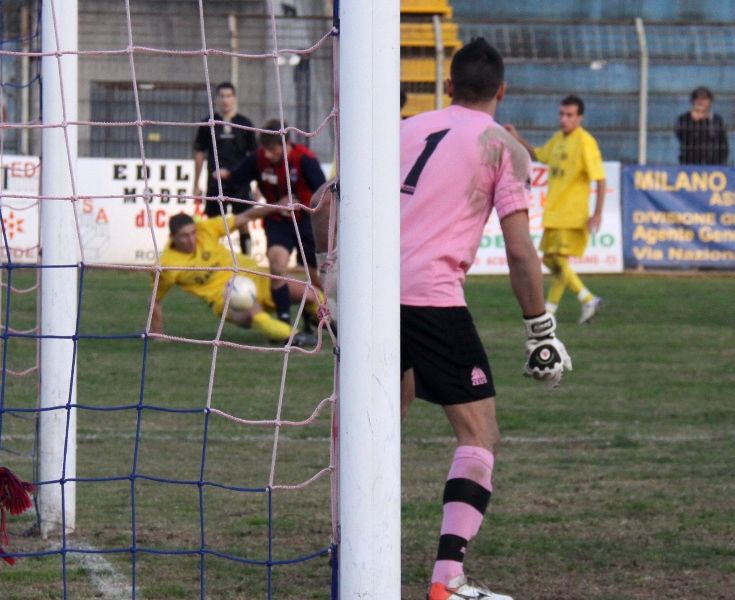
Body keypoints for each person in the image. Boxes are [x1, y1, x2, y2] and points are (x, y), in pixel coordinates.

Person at [400, 38, 571, 600]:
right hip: (430, 297)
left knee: (376, 424)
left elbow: (328, 202)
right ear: (502, 91)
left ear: (448, 86)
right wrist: (540, 329)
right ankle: (447, 581)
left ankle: (349, 550)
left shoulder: (402, 130)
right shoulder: (502, 145)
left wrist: (330, 274)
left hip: (369, 295)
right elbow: (520, 251)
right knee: (479, 434)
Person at [150, 208, 319, 347]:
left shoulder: (205, 229)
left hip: (256, 278)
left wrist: (277, 206)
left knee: (311, 294)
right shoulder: (167, 264)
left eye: (193, 233)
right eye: (184, 236)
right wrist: (157, 334)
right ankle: (293, 336)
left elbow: (245, 216)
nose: (191, 239)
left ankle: (330, 326)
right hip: (225, 298)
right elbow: (155, 300)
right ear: (172, 237)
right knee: (253, 311)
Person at [505, 95, 606, 324]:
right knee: (551, 261)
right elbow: (539, 155)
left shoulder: (585, 142)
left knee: (559, 260)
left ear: (579, 118)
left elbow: (600, 178)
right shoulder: (559, 139)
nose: (564, 119)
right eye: (561, 114)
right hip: (554, 213)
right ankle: (561, 307)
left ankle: (581, 301)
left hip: (572, 215)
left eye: (569, 115)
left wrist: (597, 213)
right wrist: (517, 138)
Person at [219, 120, 325, 325]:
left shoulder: (305, 159)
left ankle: (319, 318)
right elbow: (236, 176)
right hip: (278, 221)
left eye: (273, 150)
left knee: (315, 276)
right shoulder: (258, 159)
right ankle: (284, 320)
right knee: (277, 264)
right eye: (265, 150)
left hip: (306, 222)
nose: (268, 155)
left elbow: (322, 192)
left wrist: (302, 204)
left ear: (287, 144)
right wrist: (225, 175)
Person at [193, 82, 257, 254]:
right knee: (213, 224)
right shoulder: (208, 123)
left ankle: (247, 259)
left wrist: (257, 185)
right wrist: (196, 184)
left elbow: (254, 156)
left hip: (240, 183)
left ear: (234, 98)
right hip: (215, 183)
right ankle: (213, 260)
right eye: (221, 96)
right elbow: (199, 153)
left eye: (228, 96)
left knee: (243, 222)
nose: (225, 100)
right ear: (216, 99)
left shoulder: (245, 123)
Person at [675, 86, 729, 165]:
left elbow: (723, 144)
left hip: (713, 165)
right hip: (690, 165)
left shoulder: (717, 120)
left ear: (710, 101)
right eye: (697, 98)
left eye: (704, 99)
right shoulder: (684, 119)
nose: (700, 102)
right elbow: (682, 136)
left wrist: (722, 163)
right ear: (692, 101)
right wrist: (694, 121)